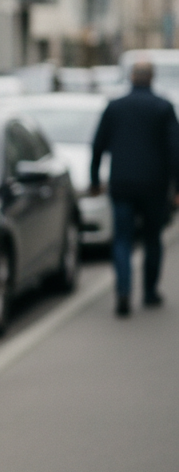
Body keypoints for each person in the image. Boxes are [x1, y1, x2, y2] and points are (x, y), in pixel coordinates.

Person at [91, 60, 179, 317]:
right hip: (154, 185)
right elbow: (176, 150)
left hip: (122, 184)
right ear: (152, 79)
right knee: (153, 238)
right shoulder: (163, 107)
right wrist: (177, 186)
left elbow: (98, 145)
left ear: (131, 78)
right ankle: (150, 291)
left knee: (122, 240)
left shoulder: (115, 107)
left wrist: (95, 179)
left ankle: (124, 291)